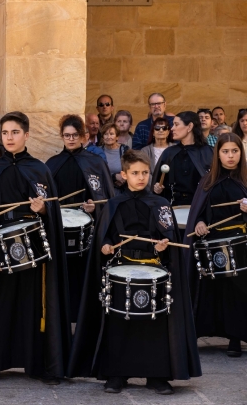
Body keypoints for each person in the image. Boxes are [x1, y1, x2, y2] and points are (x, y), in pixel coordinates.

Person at [68, 149, 201, 394]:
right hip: (121, 268)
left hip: (154, 269)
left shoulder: (160, 204)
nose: (141, 177)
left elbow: (169, 238)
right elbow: (103, 237)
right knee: (119, 323)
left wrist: (164, 246)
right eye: (135, 173)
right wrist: (106, 246)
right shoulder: (114, 204)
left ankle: (157, 376)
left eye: (145, 173)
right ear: (124, 174)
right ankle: (117, 374)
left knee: (155, 325)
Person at [0, 111, 71, 386]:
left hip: (31, 250)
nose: (9, 137)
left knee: (32, 306)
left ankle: (38, 363)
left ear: (26, 135)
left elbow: (53, 210)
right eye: (5, 133)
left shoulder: (40, 169)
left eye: (15, 132)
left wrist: (44, 209)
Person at [46, 115, 114, 323]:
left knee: (84, 275)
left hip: (88, 230)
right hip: (61, 228)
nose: (71, 139)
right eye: (67, 135)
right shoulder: (53, 163)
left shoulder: (95, 162)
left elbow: (107, 197)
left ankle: (85, 320)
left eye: (75, 135)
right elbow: (46, 197)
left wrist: (95, 206)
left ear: (83, 136)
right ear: (62, 136)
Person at [185, 132, 247, 357]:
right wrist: (200, 222)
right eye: (225, 151)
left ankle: (235, 338)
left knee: (238, 293)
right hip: (212, 243)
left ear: (241, 153)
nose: (230, 156)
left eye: (235, 151)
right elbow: (198, 213)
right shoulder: (208, 180)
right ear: (217, 154)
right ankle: (203, 332)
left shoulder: (246, 180)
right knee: (212, 291)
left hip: (241, 245)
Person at [153, 111, 213, 206]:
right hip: (173, 205)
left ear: (189, 127)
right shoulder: (169, 153)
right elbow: (158, 183)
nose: (172, 129)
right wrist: (157, 188)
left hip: (200, 206)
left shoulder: (208, 152)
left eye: (176, 125)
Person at [140, 117, 174, 184]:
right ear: (153, 132)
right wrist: (154, 185)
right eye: (157, 128)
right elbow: (143, 171)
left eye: (164, 128)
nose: (161, 130)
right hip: (151, 188)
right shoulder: (145, 151)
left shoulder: (175, 148)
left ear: (168, 132)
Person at [100, 123, 129, 191]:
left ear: (117, 137)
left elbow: (131, 168)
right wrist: (114, 177)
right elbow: (96, 172)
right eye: (106, 134)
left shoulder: (125, 150)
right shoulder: (98, 151)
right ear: (103, 137)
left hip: (123, 189)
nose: (108, 137)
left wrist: (124, 178)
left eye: (111, 134)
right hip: (104, 189)